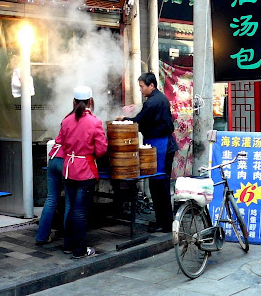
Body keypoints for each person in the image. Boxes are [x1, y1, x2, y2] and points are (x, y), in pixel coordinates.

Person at [117, 72, 176, 233]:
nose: (140, 89)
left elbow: (139, 120)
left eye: (142, 86)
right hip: (162, 144)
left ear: (151, 85)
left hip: (161, 145)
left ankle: (164, 223)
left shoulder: (152, 102)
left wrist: (124, 120)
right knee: (159, 185)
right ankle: (164, 221)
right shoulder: (159, 99)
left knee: (159, 185)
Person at [57, 86, 108, 258]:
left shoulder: (66, 121)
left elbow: (61, 142)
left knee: (72, 208)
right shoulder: (95, 122)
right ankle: (80, 250)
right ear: (90, 102)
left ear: (73, 102)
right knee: (80, 211)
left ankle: (68, 245)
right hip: (85, 170)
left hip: (69, 170)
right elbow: (101, 150)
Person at [35, 140, 69, 247]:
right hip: (66, 160)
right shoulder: (83, 128)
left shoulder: (65, 128)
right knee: (70, 201)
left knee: (51, 198)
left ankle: (41, 236)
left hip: (53, 158)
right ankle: (69, 241)